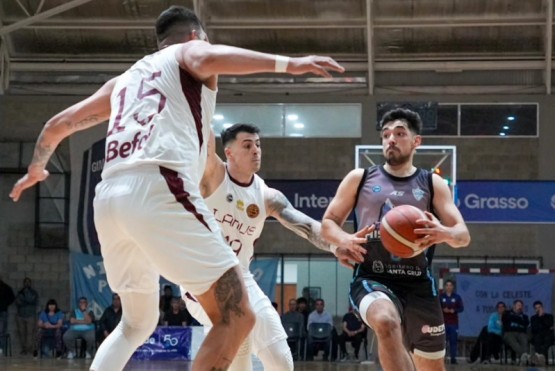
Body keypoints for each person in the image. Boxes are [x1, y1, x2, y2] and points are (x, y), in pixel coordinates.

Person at [9, 6, 344, 370]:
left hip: (108, 199)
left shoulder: (123, 82)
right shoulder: (187, 52)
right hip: (158, 184)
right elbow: (208, 55)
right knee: (238, 314)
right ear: (195, 36)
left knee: (136, 323)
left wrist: (36, 168)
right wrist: (290, 65)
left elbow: (61, 123)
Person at [183, 123, 365, 371]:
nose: (256, 150)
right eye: (247, 145)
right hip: (201, 278)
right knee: (240, 340)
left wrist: (336, 246)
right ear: (229, 153)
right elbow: (201, 134)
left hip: (240, 278)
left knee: (281, 361)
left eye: (258, 144)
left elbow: (308, 226)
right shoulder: (213, 176)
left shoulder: (267, 196)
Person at [321, 107, 471, 371]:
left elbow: (463, 235)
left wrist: (444, 233)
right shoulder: (360, 178)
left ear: (416, 141)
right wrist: (343, 240)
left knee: (431, 367)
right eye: (386, 134)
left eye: (399, 133)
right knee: (385, 321)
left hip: (418, 285)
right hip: (372, 277)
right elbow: (328, 223)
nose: (391, 139)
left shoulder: (433, 184)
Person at [439, 279, 464, 364]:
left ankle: (453, 359)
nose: (449, 287)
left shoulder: (457, 297)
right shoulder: (441, 297)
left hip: (453, 323)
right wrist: (443, 310)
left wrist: (454, 310)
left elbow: (461, 308)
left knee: (453, 341)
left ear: (453, 287)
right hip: (443, 323)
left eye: (450, 285)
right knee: (443, 342)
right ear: (445, 287)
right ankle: (442, 358)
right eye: (447, 285)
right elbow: (437, 308)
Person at [15, 277, 39, 355]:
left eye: (28, 282)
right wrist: (26, 300)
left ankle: (30, 349)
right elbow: (18, 302)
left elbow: (31, 300)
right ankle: (24, 349)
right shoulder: (19, 292)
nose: (27, 283)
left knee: (30, 333)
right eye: (25, 282)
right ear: (23, 283)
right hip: (20, 315)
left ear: (30, 283)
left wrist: (26, 298)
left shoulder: (34, 293)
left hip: (30, 315)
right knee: (21, 333)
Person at [502, 299, 530, 365]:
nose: (520, 307)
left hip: (521, 333)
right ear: (514, 306)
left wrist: (515, 318)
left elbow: (526, 323)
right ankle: (526, 357)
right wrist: (519, 319)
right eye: (518, 305)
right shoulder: (507, 313)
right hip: (509, 333)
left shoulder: (525, 316)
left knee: (524, 341)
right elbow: (507, 319)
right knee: (513, 342)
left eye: (521, 305)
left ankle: (523, 359)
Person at [530, 300, 553, 366]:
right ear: (534, 309)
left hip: (548, 335)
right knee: (537, 339)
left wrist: (542, 317)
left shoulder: (549, 316)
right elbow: (535, 329)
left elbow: (549, 324)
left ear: (542, 307)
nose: (538, 309)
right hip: (538, 335)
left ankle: (538, 357)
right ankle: (541, 359)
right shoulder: (533, 318)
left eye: (539, 307)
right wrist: (540, 318)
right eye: (536, 308)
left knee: (547, 339)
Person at [0, 275, 15, 356]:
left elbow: (12, 298)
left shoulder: (6, 287)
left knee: (2, 332)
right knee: (2, 332)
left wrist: (4, 304)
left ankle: (1, 349)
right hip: (3, 310)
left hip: (2, 311)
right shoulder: (6, 287)